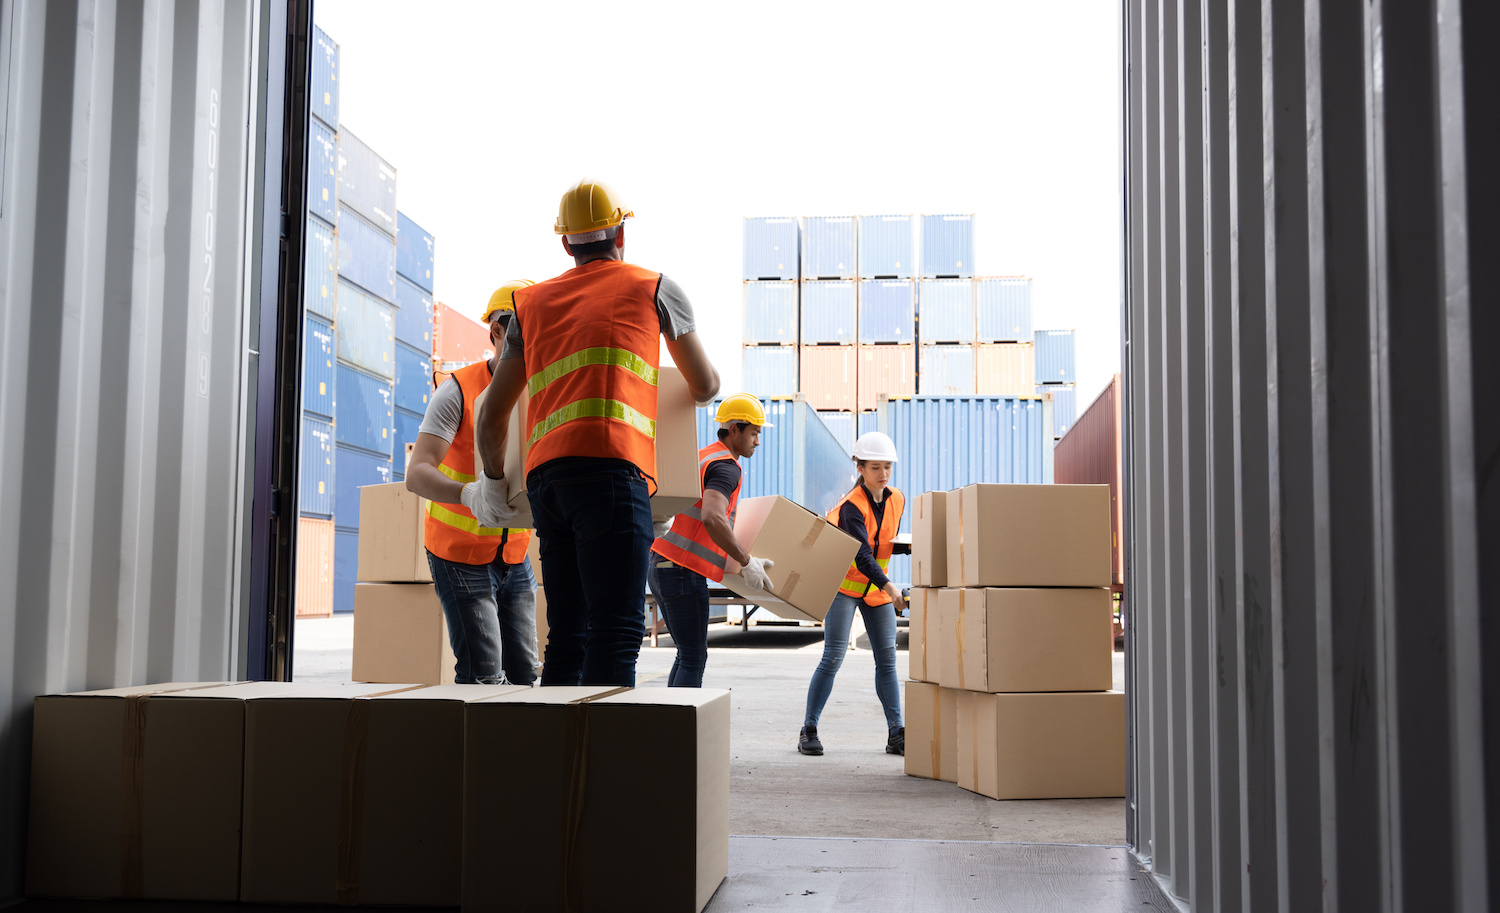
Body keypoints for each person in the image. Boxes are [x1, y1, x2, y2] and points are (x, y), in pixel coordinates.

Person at [470, 178, 721, 687]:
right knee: (616, 629)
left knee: (566, 633)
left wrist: (495, 485)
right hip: (611, 473)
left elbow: (491, 414)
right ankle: (603, 761)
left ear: (565, 243)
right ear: (621, 234)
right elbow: (706, 386)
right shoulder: (654, 288)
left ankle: (562, 758)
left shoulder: (529, 304)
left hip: (548, 486)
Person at [405, 281, 540, 685]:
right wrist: (468, 494)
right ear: (495, 333)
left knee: (525, 674)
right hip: (459, 553)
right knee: (484, 675)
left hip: (514, 555)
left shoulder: (542, 391)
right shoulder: (457, 391)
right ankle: (480, 748)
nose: (522, 339)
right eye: (512, 328)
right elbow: (418, 472)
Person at [650, 394, 777, 686]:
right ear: (734, 430)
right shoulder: (726, 466)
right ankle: (680, 730)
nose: (757, 441)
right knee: (693, 657)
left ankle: (670, 727)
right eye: (754, 433)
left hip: (661, 565)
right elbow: (713, 517)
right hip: (682, 572)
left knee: (686, 655)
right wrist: (747, 562)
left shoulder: (703, 455)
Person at [798, 431, 908, 756]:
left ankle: (896, 733)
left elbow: (883, 543)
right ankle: (808, 730)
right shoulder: (850, 507)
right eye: (876, 467)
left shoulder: (897, 499)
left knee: (887, 660)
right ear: (860, 467)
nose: (883, 474)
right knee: (832, 656)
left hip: (874, 589)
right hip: (845, 586)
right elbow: (862, 553)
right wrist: (889, 585)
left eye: (888, 466)